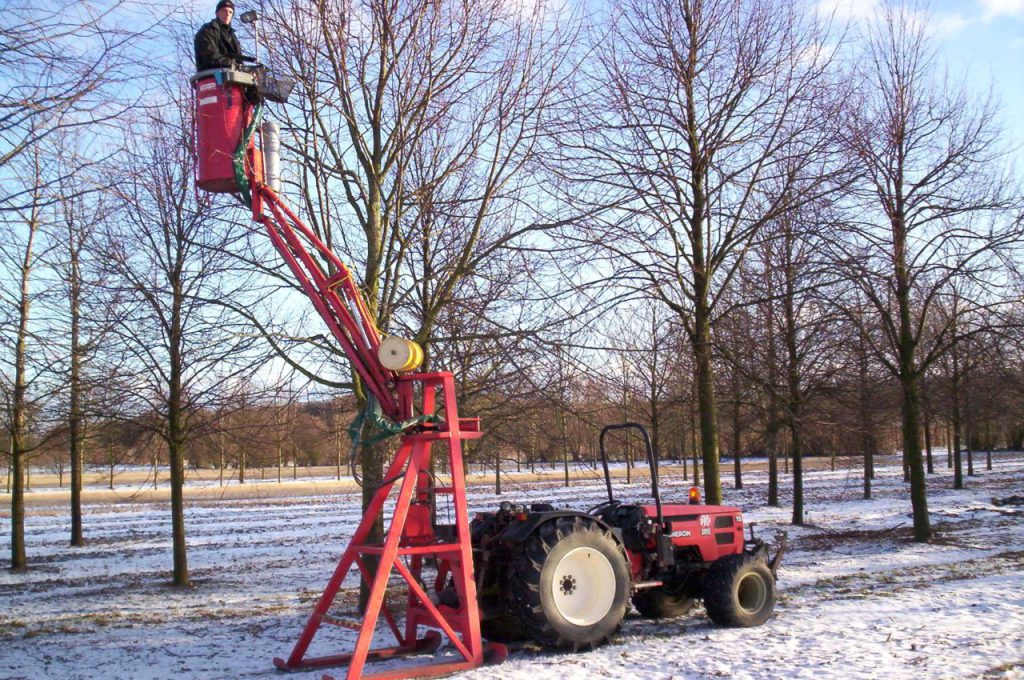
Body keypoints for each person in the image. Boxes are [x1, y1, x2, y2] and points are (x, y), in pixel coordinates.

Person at [194, 0, 250, 72]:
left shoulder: (233, 36)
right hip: (212, 76)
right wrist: (235, 65)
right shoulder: (208, 30)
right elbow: (211, 56)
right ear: (217, 13)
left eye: (230, 12)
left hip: (234, 77)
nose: (227, 14)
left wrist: (247, 70)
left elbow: (239, 59)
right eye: (224, 11)